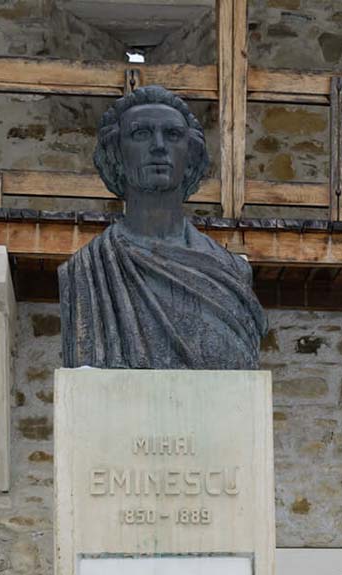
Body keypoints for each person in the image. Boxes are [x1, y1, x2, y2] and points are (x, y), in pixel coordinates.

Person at [58, 84, 267, 370]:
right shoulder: (88, 271)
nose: (158, 146)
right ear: (116, 156)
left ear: (190, 157)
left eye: (172, 135)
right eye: (141, 134)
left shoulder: (232, 272)